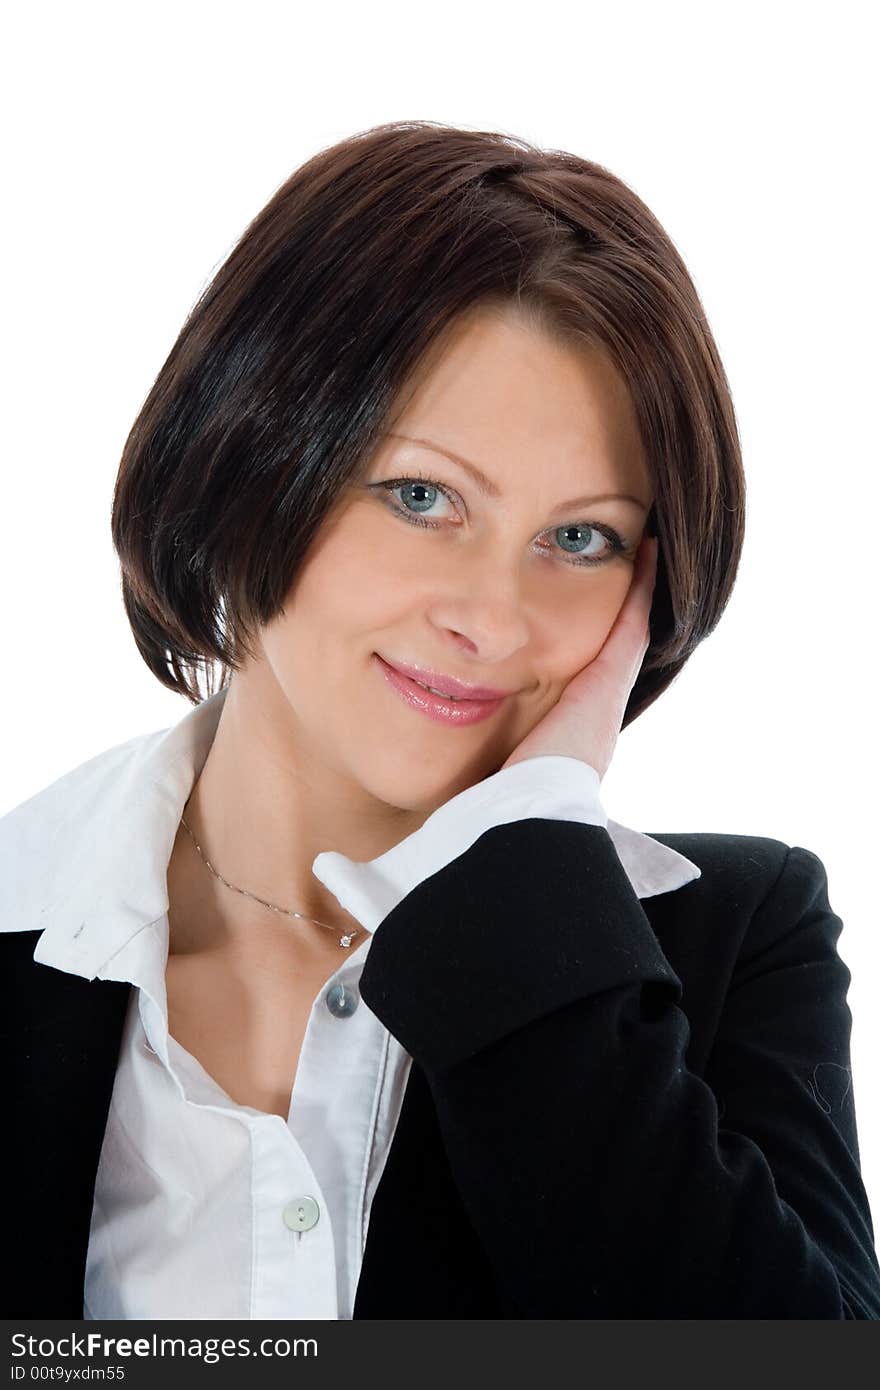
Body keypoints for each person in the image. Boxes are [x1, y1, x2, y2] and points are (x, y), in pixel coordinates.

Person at [2, 119, 879, 1321]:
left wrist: (521, 903)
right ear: (239, 458)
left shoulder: (730, 938)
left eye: (581, 538)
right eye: (423, 497)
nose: (492, 617)